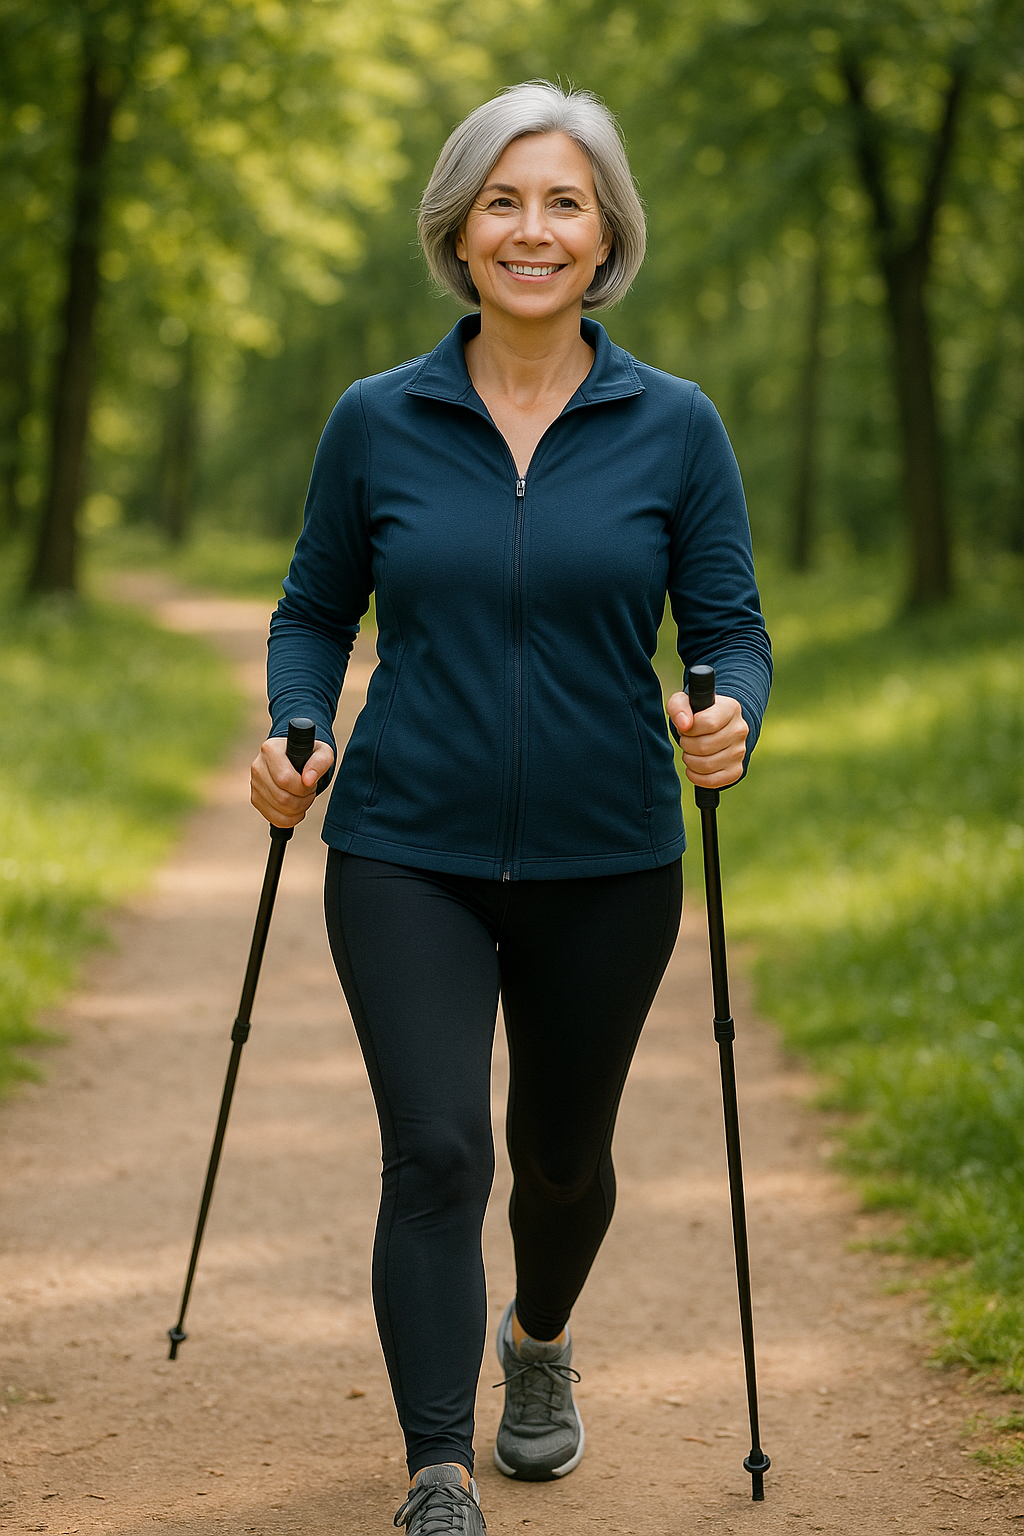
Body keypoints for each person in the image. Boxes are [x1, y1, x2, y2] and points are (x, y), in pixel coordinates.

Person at [250, 79, 771, 1536]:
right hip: (405, 845)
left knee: (557, 1156)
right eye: (502, 200)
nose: (531, 229)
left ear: (604, 236)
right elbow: (314, 609)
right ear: (459, 230)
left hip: (608, 856)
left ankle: (535, 1343)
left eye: (562, 201)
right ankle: (435, 1468)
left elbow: (730, 628)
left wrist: (730, 708)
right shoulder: (378, 420)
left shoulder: (676, 427)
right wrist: (296, 723)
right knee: (435, 1149)